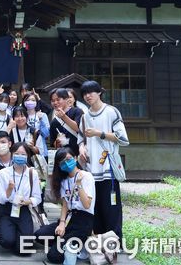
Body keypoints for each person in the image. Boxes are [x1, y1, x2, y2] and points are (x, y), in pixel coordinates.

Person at [78, 80, 129, 241]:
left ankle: (114, 239)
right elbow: (81, 138)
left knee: (111, 206)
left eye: (91, 92)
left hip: (108, 169)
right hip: (90, 169)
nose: (88, 96)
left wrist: (99, 133)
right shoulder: (85, 116)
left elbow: (123, 139)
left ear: (99, 92)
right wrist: (81, 148)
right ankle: (99, 238)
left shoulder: (111, 112)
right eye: (85, 94)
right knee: (96, 206)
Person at [35, 148, 95, 264]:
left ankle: (75, 246)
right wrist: (62, 224)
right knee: (39, 234)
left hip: (83, 220)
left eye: (69, 159)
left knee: (53, 257)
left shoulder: (86, 176)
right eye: (62, 162)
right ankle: (65, 243)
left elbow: (87, 204)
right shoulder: (64, 181)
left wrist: (78, 185)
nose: (67, 163)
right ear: (59, 165)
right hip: (69, 218)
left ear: (75, 157)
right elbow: (65, 205)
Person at [0, 142, 41, 255]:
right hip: (8, 209)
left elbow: (37, 198)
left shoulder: (32, 173)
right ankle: (8, 233)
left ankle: (18, 235)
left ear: (27, 156)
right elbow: (1, 200)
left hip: (24, 209)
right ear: (11, 154)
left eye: (23, 154)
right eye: (17, 153)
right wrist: (9, 189)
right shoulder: (4, 173)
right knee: (7, 241)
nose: (20, 156)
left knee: (24, 250)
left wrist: (28, 201)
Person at [50, 88, 83, 156]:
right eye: (53, 101)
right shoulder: (54, 122)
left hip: (80, 154)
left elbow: (78, 128)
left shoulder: (77, 111)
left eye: (58, 99)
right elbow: (53, 143)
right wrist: (57, 141)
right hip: (64, 158)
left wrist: (63, 116)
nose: (55, 103)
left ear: (66, 99)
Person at [23, 92, 50, 159]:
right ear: (24, 102)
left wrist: (41, 120)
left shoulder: (43, 115)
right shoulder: (21, 116)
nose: (30, 102)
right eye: (27, 100)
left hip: (40, 149)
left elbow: (46, 134)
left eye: (33, 100)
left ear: (36, 102)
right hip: (24, 149)